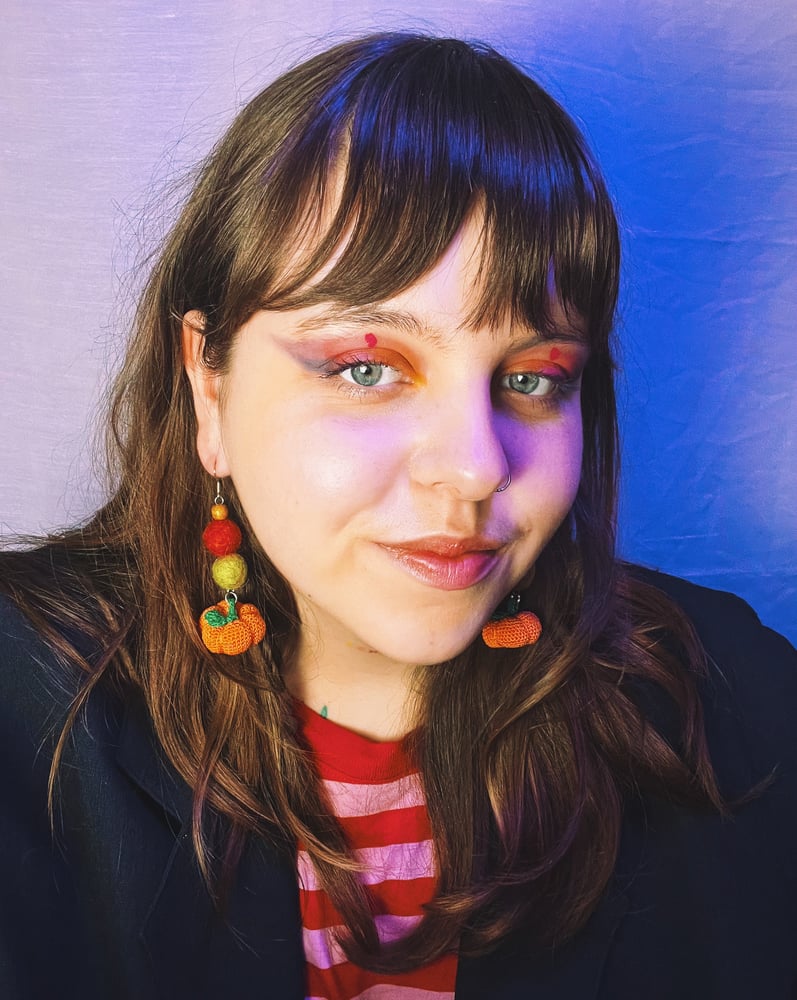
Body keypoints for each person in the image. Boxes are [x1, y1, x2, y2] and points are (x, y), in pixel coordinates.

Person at [0, 32, 795, 1000]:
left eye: (533, 377)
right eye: (365, 368)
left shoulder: (733, 704)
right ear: (208, 387)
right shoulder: (23, 708)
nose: (471, 467)